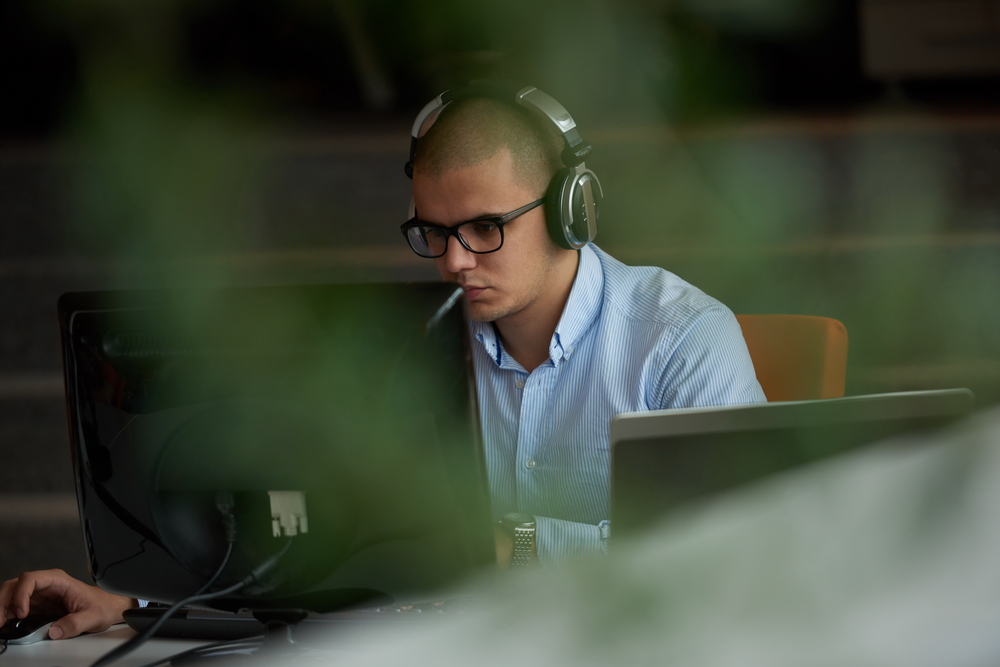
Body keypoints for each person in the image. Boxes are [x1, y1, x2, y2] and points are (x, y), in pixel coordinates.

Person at [0, 81, 763, 639]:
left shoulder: (683, 341)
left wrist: (514, 544)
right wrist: (135, 605)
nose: (454, 262)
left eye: (486, 227)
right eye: (433, 232)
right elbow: (315, 554)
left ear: (573, 208)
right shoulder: (410, 347)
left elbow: (749, 559)